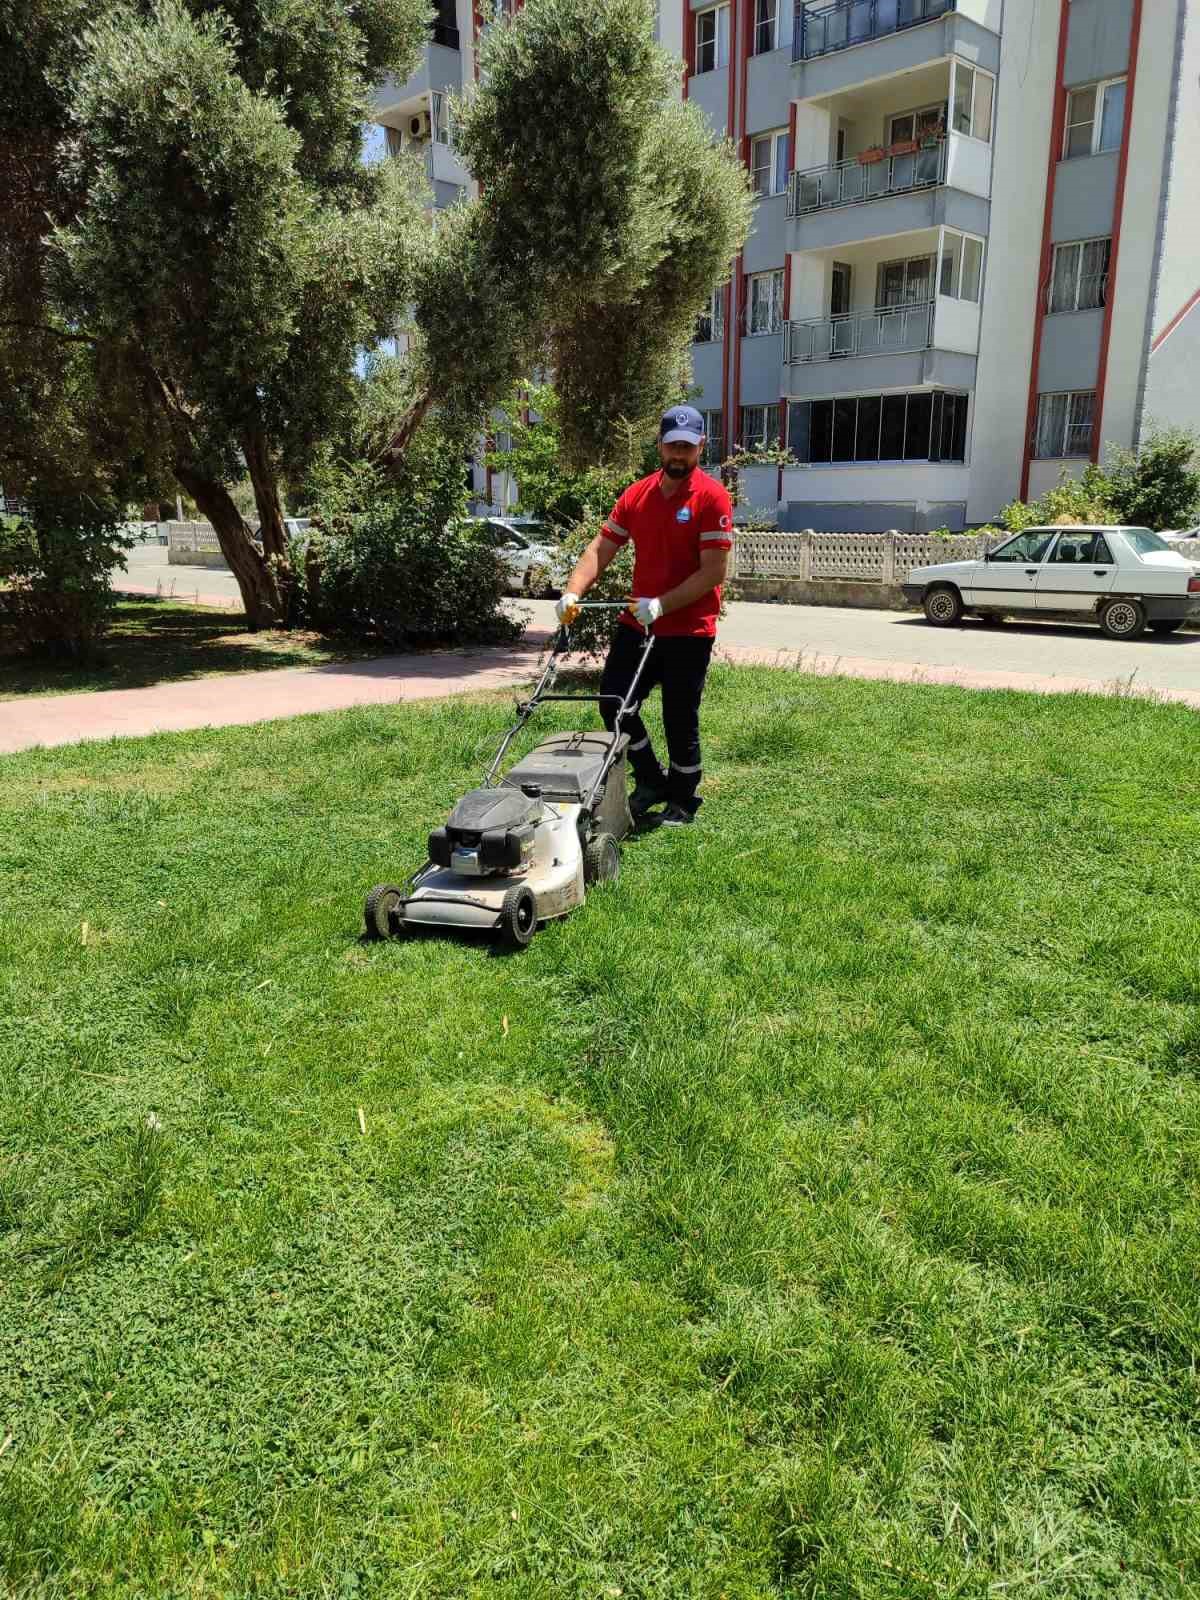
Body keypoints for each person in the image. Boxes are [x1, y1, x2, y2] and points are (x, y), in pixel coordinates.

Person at [556, 403, 734, 827]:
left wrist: (662, 604)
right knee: (615, 703)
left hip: (688, 628)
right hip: (638, 624)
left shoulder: (711, 497)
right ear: (659, 444)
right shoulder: (637, 495)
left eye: (687, 448)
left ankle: (684, 801)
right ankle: (651, 780)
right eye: (672, 445)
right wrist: (572, 591)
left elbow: (713, 572)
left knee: (679, 715)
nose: (679, 455)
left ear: (700, 447)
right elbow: (601, 549)